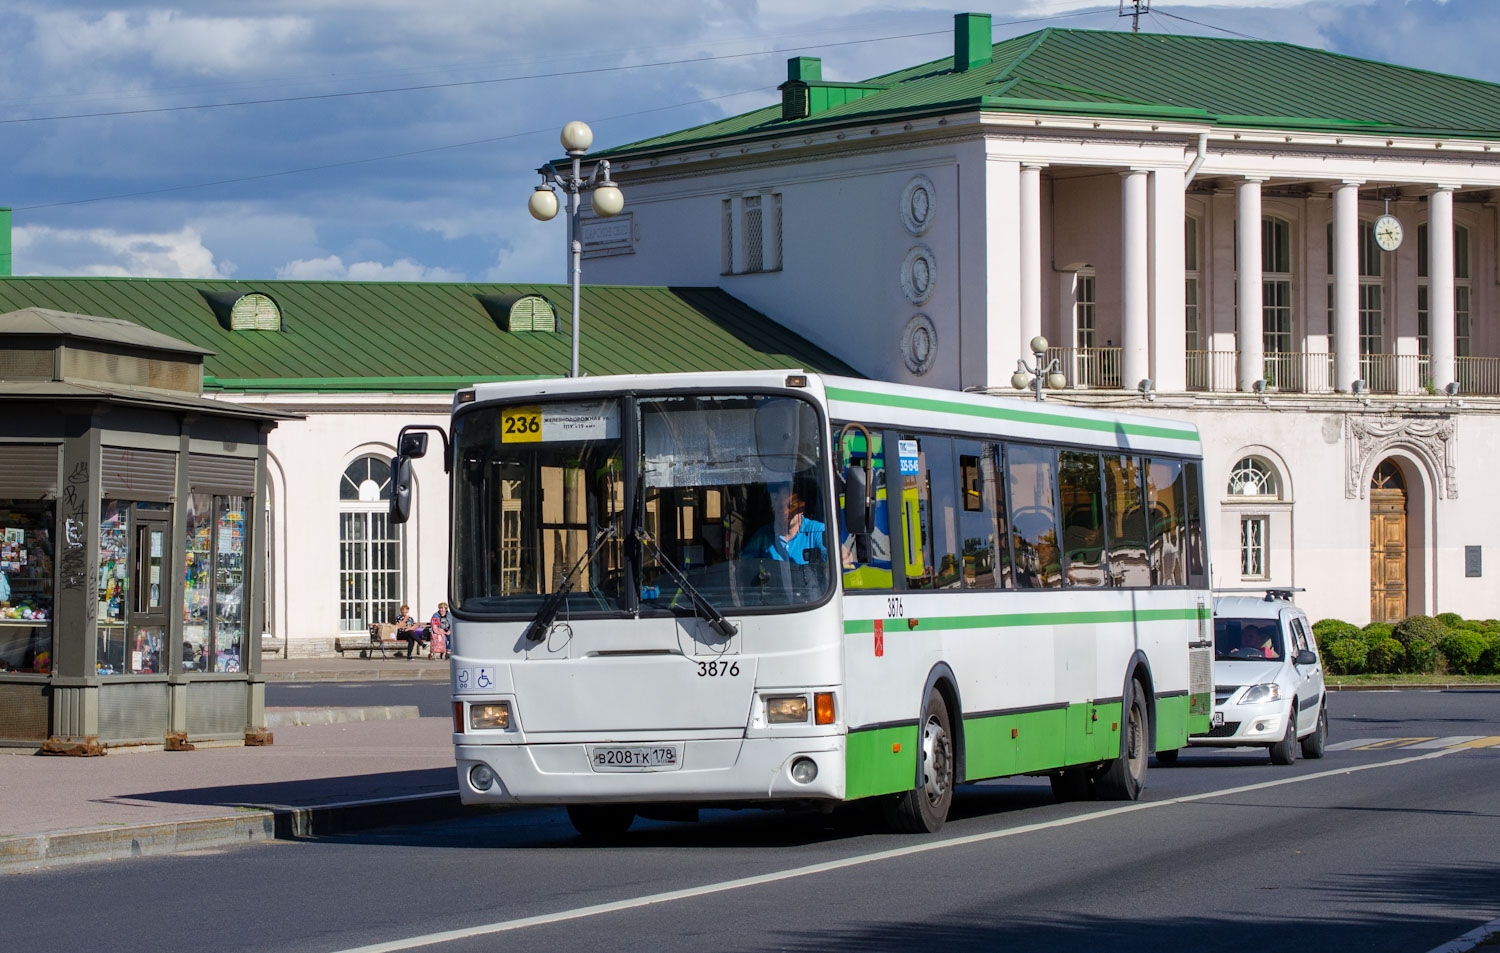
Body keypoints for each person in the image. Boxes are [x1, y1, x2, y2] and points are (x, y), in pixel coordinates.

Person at [741, 484, 827, 565]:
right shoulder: (762, 536)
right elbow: (745, 565)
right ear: (774, 507)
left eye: (790, 506)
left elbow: (828, 557)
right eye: (781, 507)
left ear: (801, 507)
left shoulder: (817, 531)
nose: (786, 512)